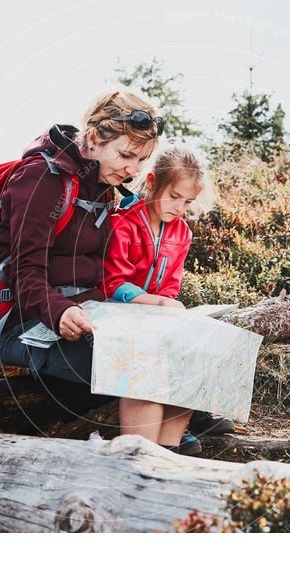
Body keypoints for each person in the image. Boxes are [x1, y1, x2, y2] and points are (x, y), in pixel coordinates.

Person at [0, 90, 171, 438]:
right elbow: (24, 274)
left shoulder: (100, 180)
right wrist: (58, 312)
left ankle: (170, 444)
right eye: (126, 155)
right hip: (22, 326)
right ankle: (146, 473)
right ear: (93, 138)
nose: (132, 169)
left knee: (170, 341)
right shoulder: (41, 181)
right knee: (141, 363)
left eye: (141, 159)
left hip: (87, 313)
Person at [101, 144, 230, 455]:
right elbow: (112, 283)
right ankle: (147, 444)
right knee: (150, 351)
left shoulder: (181, 233)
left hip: (154, 317)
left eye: (188, 201)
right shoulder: (123, 223)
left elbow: (171, 285)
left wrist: (166, 304)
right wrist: (154, 303)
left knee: (191, 342)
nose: (180, 207)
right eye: (174, 197)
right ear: (151, 183)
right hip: (118, 314)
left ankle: (171, 437)